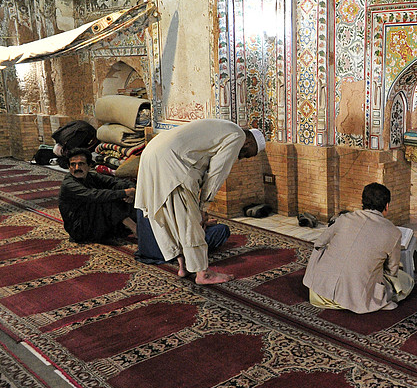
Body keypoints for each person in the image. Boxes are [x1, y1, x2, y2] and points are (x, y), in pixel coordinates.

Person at [134, 119, 265, 285]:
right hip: (172, 162)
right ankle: (203, 273)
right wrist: (204, 206)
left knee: (172, 218)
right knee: (190, 221)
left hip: (151, 154)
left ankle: (184, 266)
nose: (243, 157)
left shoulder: (224, 128)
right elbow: (217, 172)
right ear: (248, 142)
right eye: (248, 154)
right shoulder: (237, 136)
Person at [302, 182, 415, 313]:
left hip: (318, 294)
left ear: (363, 201)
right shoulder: (393, 232)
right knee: (405, 281)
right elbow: (392, 271)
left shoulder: (344, 218)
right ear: (387, 206)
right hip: (355, 301)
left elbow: (319, 244)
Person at [58, 148, 137, 242]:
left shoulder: (92, 176)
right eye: (73, 165)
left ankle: (138, 223)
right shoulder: (68, 184)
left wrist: (132, 190)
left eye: (81, 164)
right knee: (102, 197)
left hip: (94, 221)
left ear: (89, 165)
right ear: (69, 166)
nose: (76, 168)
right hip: (80, 229)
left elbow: (117, 182)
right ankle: (136, 229)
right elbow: (93, 195)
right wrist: (125, 193)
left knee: (118, 189)